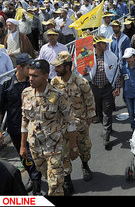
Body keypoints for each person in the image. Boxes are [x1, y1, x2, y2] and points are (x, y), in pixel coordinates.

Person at [20, 59, 79, 196]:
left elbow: (70, 121)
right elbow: (24, 120)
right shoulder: (26, 93)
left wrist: (73, 145)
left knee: (54, 186)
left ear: (46, 75)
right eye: (29, 75)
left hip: (54, 147)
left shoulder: (58, 95)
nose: (31, 79)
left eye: (35, 76)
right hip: (35, 148)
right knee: (48, 176)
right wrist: (23, 145)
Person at [0, 53, 42, 195]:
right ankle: (34, 178)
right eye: (29, 67)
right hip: (15, 129)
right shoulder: (6, 85)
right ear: (20, 67)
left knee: (37, 155)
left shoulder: (34, 82)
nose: (32, 71)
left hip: (35, 128)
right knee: (24, 156)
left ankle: (36, 179)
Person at [50, 51, 95, 191]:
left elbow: (90, 102)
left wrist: (87, 120)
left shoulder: (81, 82)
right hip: (61, 126)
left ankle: (85, 165)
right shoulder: (54, 82)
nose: (55, 69)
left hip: (79, 124)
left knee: (84, 148)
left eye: (58, 67)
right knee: (63, 153)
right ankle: (67, 179)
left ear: (67, 67)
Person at [86, 35, 120, 149]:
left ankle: (106, 136)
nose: (106, 45)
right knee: (99, 111)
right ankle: (107, 127)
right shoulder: (89, 57)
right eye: (103, 43)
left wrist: (117, 87)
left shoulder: (111, 56)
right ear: (97, 45)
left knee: (107, 112)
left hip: (107, 88)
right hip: (94, 88)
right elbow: (83, 72)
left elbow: (116, 72)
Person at [119, 47, 135, 131]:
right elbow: (122, 80)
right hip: (127, 94)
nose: (128, 59)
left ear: (134, 57)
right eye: (126, 58)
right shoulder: (123, 68)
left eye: (129, 57)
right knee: (130, 113)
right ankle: (134, 130)